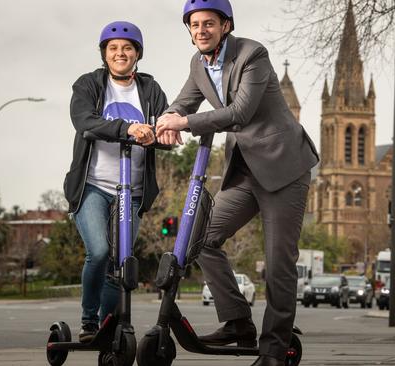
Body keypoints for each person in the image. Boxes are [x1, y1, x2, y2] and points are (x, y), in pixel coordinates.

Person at [156, 1, 319, 365]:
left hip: (283, 168)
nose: (201, 30)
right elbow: (182, 103)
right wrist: (167, 119)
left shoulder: (252, 54)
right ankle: (238, 322)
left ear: (225, 25)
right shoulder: (198, 64)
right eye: (195, 24)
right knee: (200, 238)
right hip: (245, 172)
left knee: (279, 263)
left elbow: (240, 113)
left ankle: (274, 351)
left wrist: (184, 124)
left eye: (209, 23)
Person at [63, 21, 168, 342]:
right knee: (98, 251)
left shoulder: (150, 90)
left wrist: (162, 134)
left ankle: (110, 326)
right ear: (105, 54)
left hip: (132, 190)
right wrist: (130, 129)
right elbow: (84, 122)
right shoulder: (88, 86)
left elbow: (164, 128)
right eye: (113, 48)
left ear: (137, 54)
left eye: (127, 48)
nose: (120, 53)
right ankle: (89, 321)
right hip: (92, 186)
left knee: (119, 261)